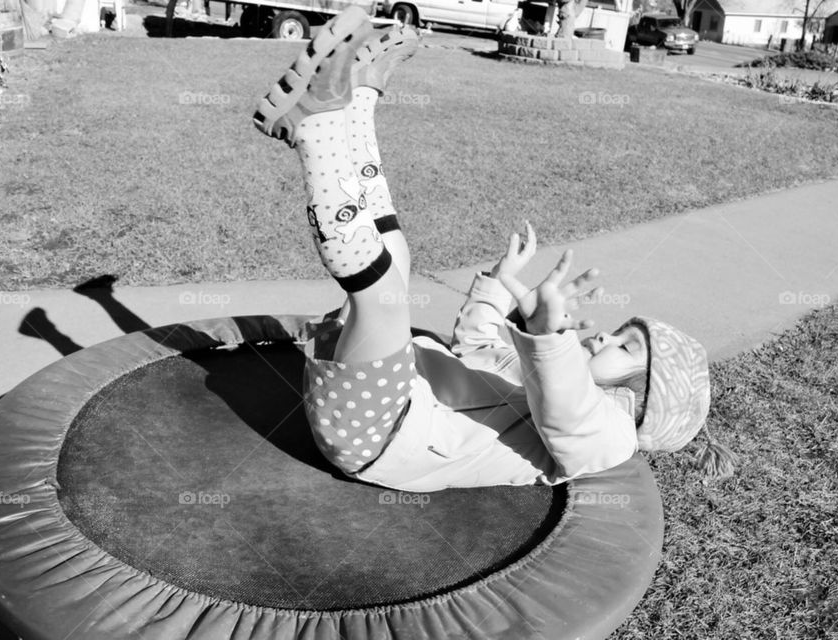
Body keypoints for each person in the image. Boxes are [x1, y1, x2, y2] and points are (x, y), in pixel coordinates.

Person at [252, 7, 724, 491]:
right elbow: (476, 344)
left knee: (381, 298)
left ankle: (315, 133)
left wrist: (547, 339)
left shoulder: (610, 435)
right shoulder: (536, 373)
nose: (604, 338)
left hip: (378, 434)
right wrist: (501, 285)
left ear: (640, 398)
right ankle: (357, 107)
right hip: (387, 390)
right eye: (619, 332)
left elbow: (570, 415)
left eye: (626, 347)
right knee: (399, 258)